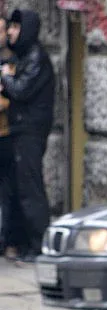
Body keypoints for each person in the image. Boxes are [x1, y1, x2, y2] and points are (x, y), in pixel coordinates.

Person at [0, 8, 54, 263]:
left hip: (30, 130)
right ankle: (24, 244)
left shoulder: (36, 57)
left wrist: (5, 79)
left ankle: (39, 245)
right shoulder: (24, 56)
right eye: (9, 27)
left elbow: (21, 90)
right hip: (21, 130)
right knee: (20, 187)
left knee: (30, 188)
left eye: (15, 27)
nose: (11, 32)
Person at [0, 14, 20, 261]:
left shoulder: (14, 61)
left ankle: (9, 241)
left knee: (9, 191)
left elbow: (14, 97)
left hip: (6, 134)